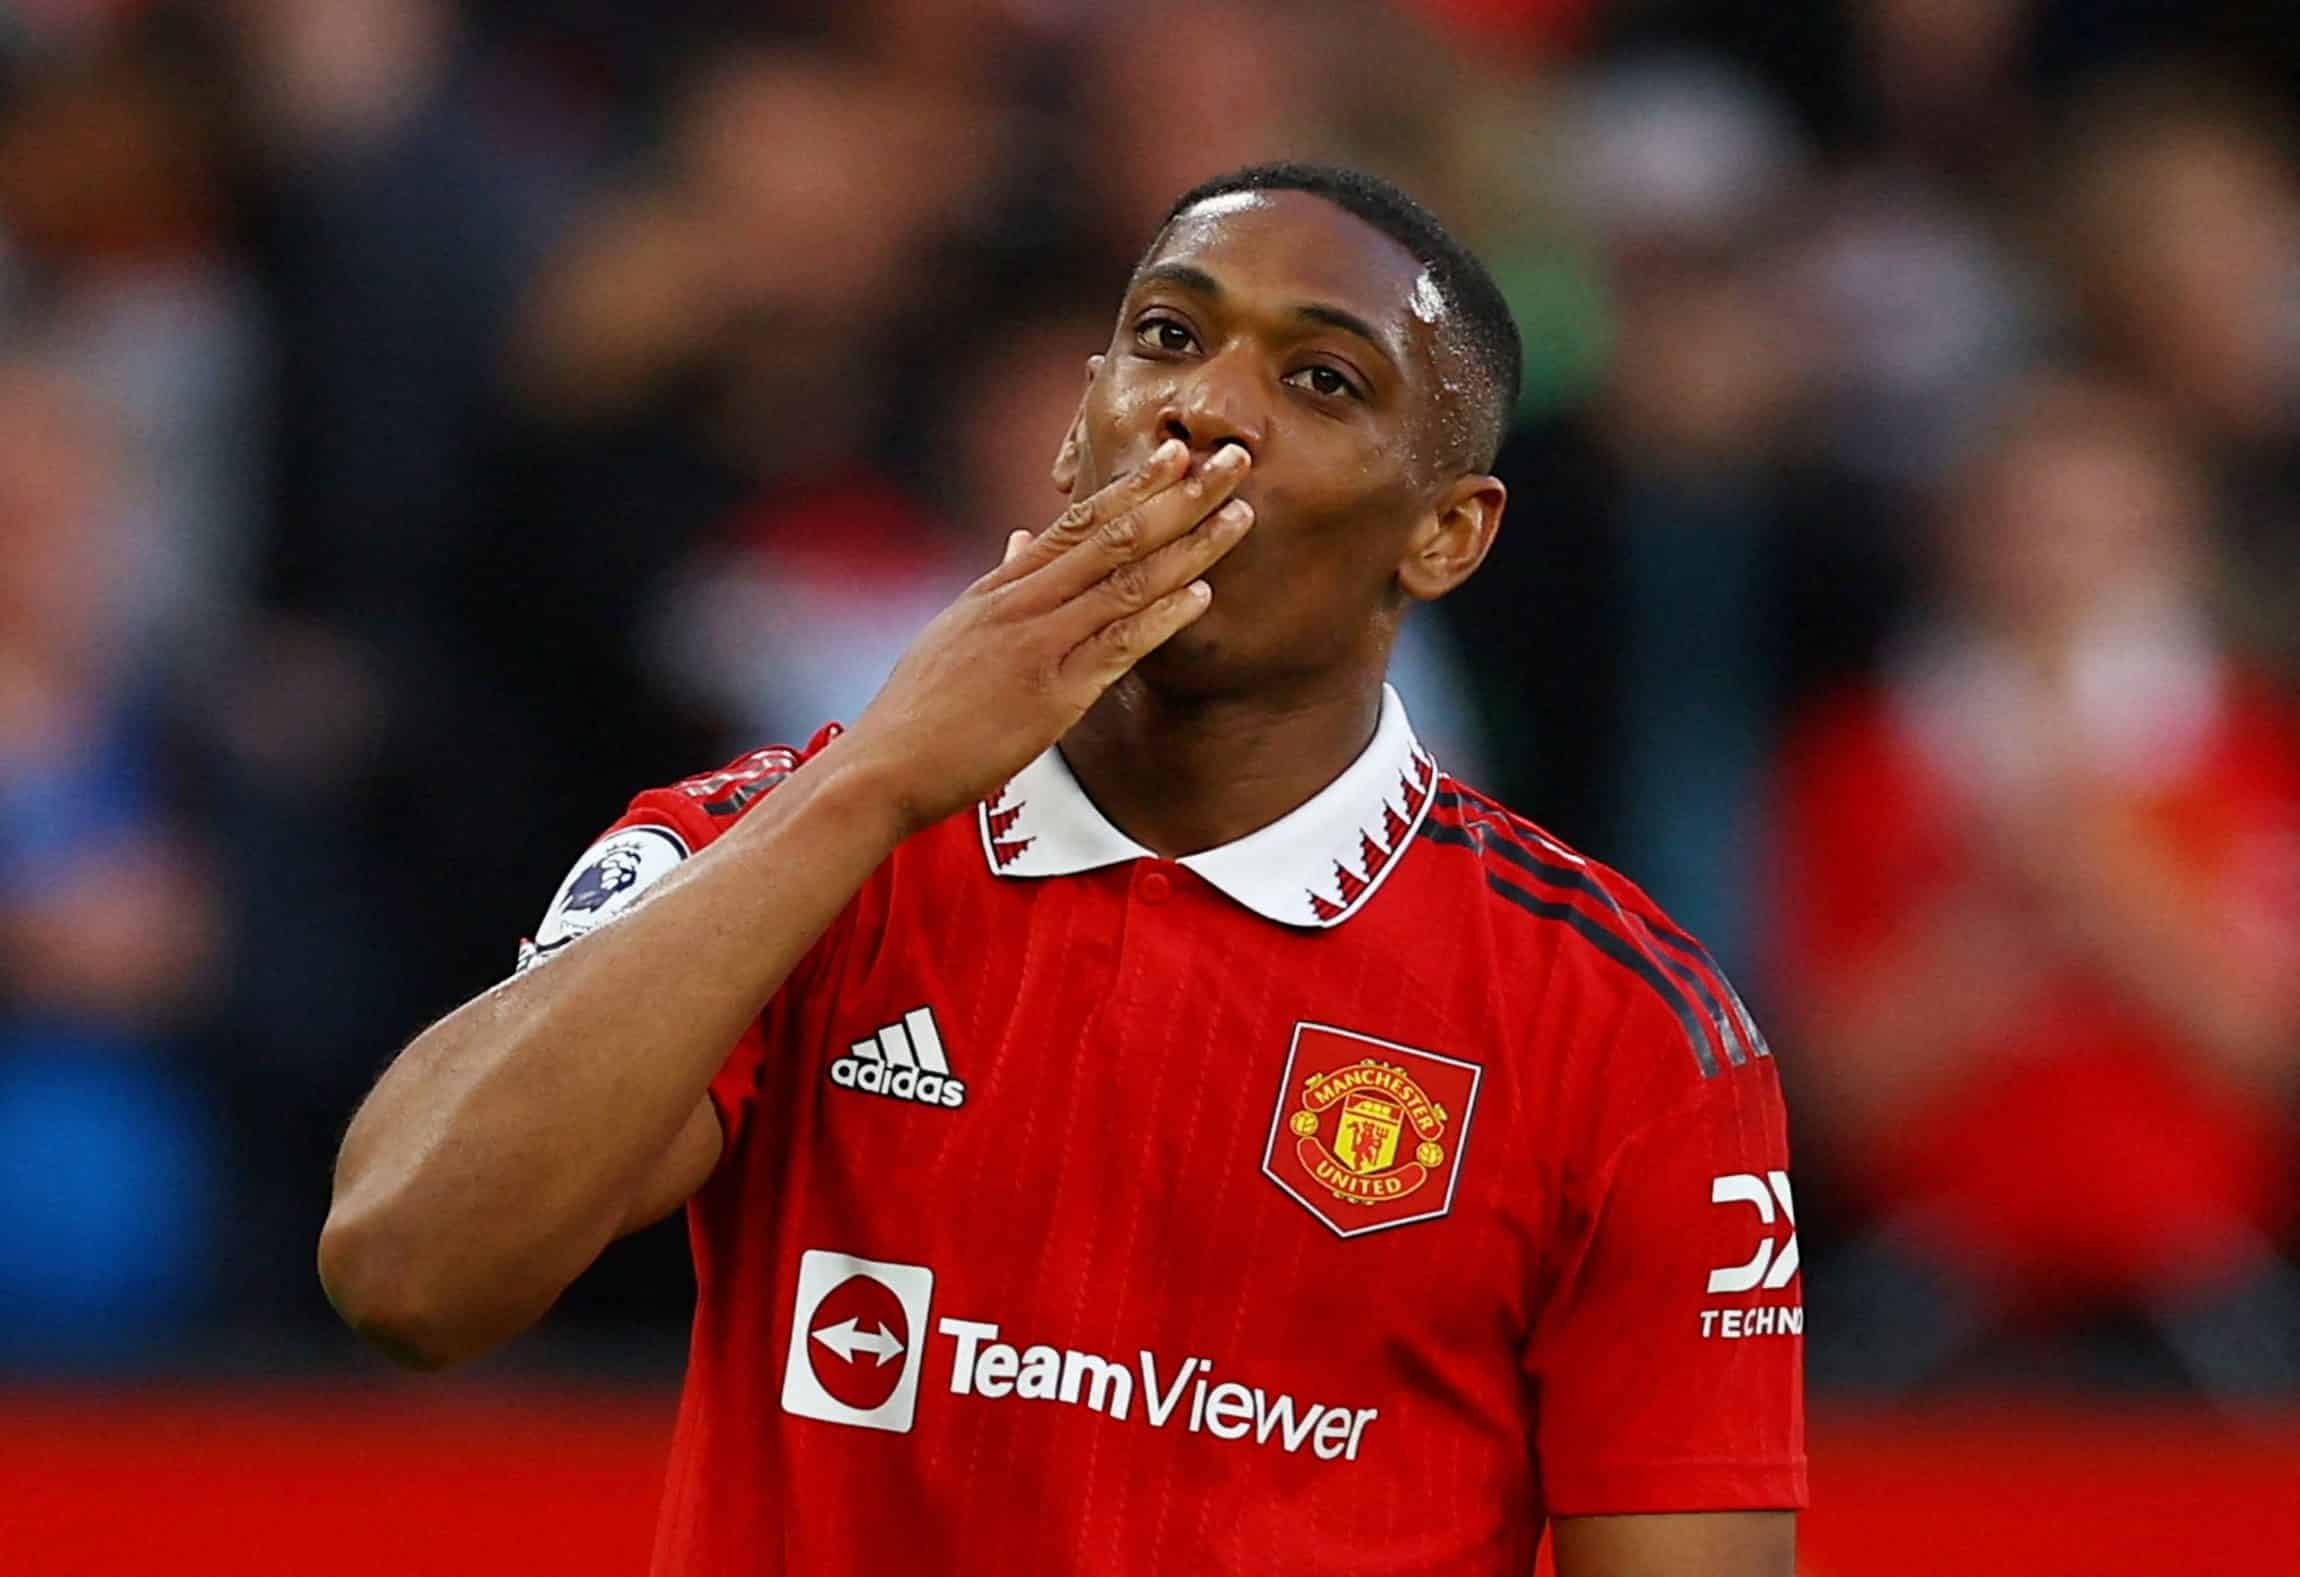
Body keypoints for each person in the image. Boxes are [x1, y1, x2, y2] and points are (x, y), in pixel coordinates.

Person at [321, 164, 1804, 1576]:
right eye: (1166, 336)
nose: (1205, 408)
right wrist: (874, 784)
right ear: (1073, 430)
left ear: (1445, 535)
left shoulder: (1626, 1034)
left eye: (1322, 381)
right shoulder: (787, 846)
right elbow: (408, 1271)